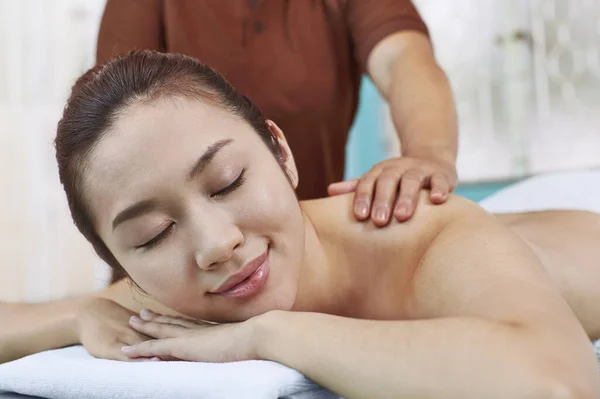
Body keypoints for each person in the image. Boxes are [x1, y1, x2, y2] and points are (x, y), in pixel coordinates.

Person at [4, 51, 598, 398]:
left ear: (281, 154)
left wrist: (272, 333)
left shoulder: (422, 235)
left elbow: (556, 382)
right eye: (153, 235)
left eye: (229, 182)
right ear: (121, 259)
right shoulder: (164, 293)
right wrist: (77, 315)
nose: (216, 244)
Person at [96, 0, 459, 227]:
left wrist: (428, 155)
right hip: (181, 275)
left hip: (302, 259)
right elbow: (114, 122)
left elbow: (403, 61)